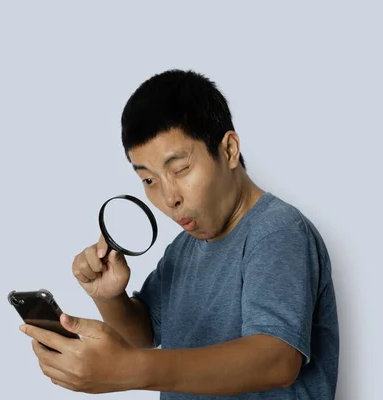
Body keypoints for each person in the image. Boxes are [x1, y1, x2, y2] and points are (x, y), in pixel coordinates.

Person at [18, 69, 339, 399]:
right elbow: (142, 337)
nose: (169, 198)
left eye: (180, 169)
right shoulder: (184, 248)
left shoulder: (277, 231)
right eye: (149, 180)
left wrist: (131, 369)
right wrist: (109, 296)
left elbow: (277, 361)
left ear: (228, 149)